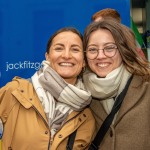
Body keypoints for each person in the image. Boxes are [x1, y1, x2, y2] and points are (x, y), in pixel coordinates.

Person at [0, 27, 95, 150]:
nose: (66, 55)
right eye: (59, 48)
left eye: (75, 49)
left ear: (84, 61)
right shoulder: (14, 92)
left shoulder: (88, 115)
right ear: (48, 56)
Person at [83, 19, 150, 150]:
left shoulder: (146, 87)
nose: (100, 56)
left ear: (123, 49)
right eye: (92, 49)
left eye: (109, 48)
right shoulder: (81, 94)